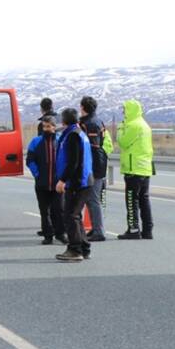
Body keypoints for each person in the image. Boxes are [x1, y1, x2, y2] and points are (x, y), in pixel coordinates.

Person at [54, 107, 94, 262]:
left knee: (71, 216)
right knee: (75, 215)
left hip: (78, 182)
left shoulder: (73, 136)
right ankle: (84, 247)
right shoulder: (78, 133)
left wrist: (62, 180)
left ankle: (75, 249)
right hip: (83, 180)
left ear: (63, 121)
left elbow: (73, 162)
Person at [116, 98, 155, 240]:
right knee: (144, 199)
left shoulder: (132, 125)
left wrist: (120, 128)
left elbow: (123, 142)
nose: (123, 112)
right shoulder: (145, 125)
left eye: (125, 110)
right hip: (145, 167)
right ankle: (147, 230)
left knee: (132, 200)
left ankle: (133, 229)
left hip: (134, 168)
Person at [26, 105, 65, 245]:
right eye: (44, 126)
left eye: (49, 126)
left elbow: (67, 160)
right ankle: (48, 235)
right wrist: (37, 174)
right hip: (42, 183)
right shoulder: (36, 142)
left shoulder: (61, 141)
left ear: (55, 126)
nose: (47, 129)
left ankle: (61, 233)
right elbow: (30, 161)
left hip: (57, 183)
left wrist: (63, 177)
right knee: (44, 211)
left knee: (59, 210)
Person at [79, 96, 114, 241]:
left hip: (94, 165)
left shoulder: (91, 124)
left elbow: (91, 148)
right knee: (90, 198)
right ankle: (95, 229)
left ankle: (99, 232)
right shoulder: (96, 121)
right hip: (97, 163)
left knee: (93, 199)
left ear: (84, 108)